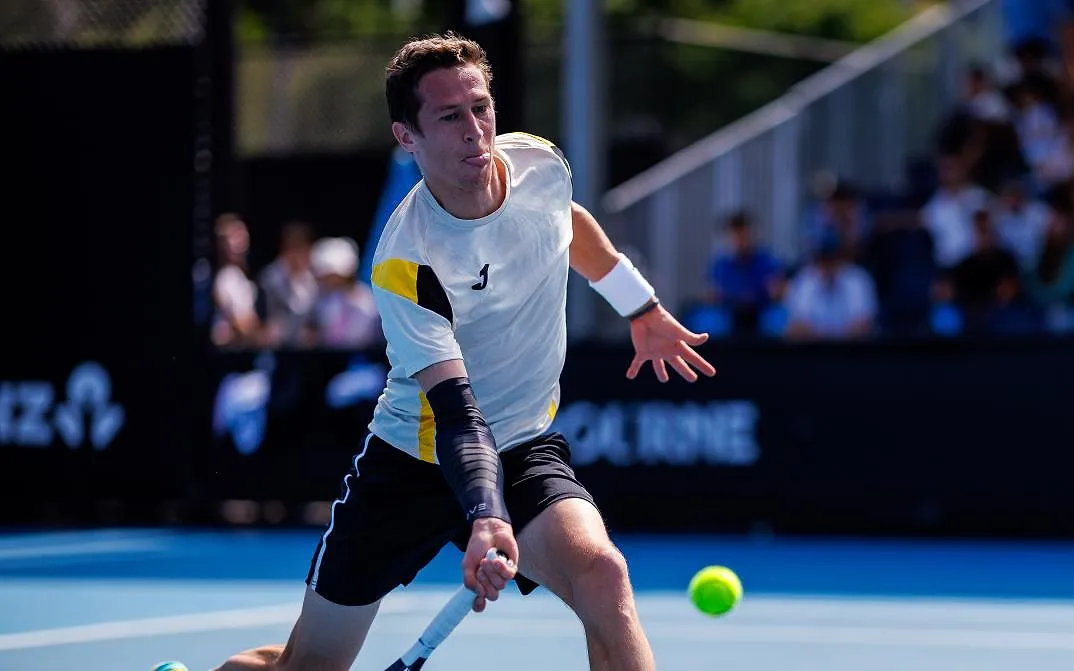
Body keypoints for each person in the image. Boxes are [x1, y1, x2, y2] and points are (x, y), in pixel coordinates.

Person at [213, 32, 715, 671]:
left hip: (523, 443)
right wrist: (485, 514)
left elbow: (564, 222)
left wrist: (639, 306)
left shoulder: (537, 165)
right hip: (414, 460)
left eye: (481, 107)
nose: (475, 130)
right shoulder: (407, 262)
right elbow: (455, 414)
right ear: (407, 137)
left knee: (603, 576)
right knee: (308, 667)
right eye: (450, 117)